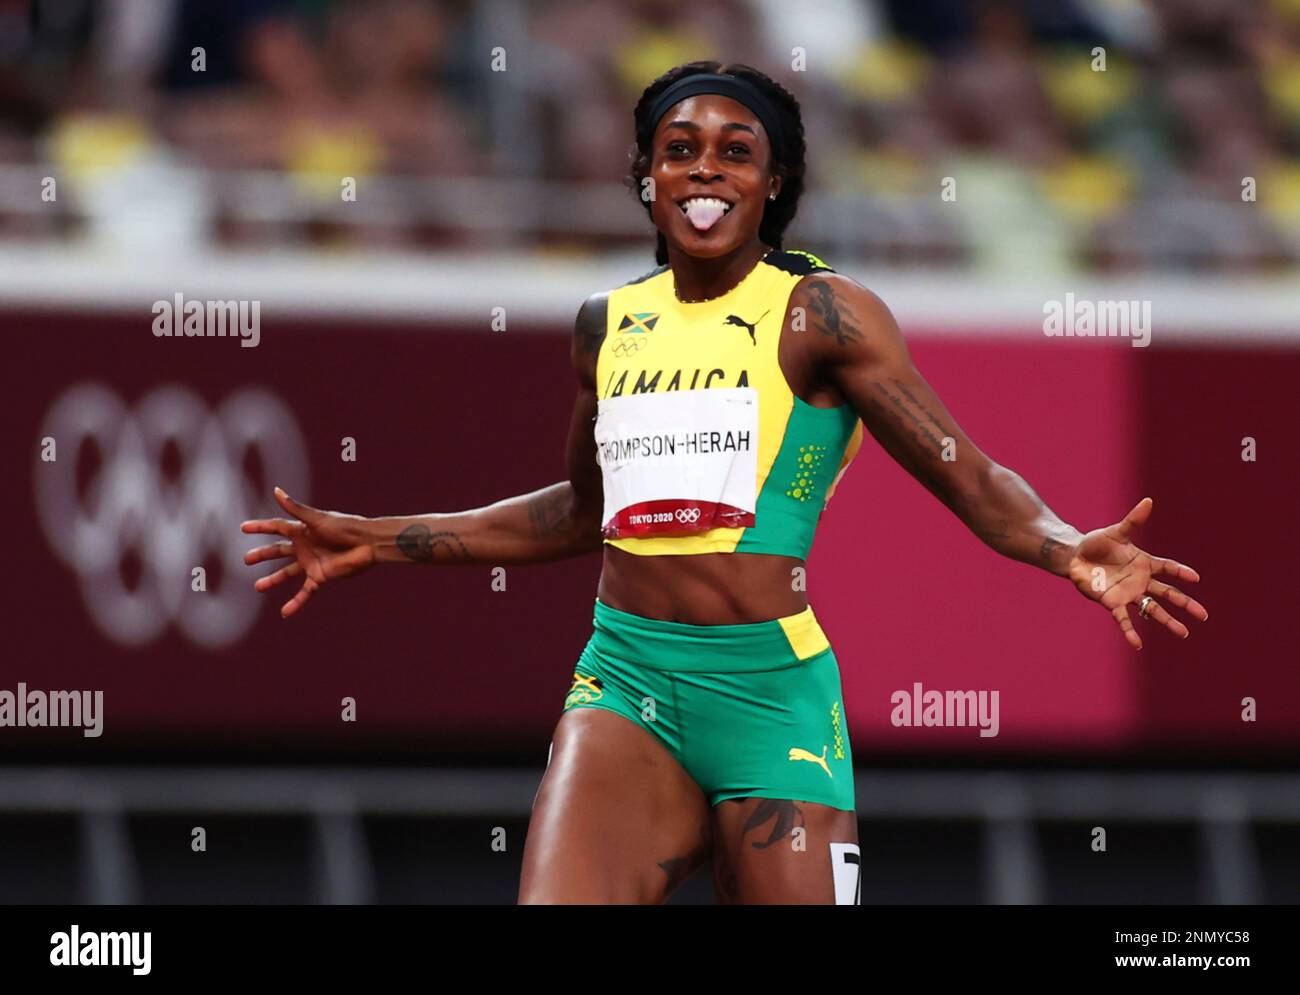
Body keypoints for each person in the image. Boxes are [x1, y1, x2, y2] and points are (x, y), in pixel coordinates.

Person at [240, 61, 1209, 905]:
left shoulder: (820, 313)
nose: (705, 166)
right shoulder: (605, 323)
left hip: (767, 692)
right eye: (679, 147)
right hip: (623, 679)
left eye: (735, 150)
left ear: (772, 183)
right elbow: (584, 510)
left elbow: (966, 472)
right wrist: (381, 538)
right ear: (646, 177)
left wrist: (1059, 544)